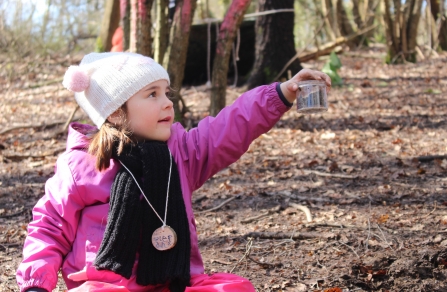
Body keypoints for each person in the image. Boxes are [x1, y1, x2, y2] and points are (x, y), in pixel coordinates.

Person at [16, 52, 331, 292]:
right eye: (152, 94)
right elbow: (49, 226)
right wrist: (35, 283)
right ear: (115, 111)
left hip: (175, 282)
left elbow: (229, 127)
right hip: (110, 286)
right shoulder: (83, 164)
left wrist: (281, 93)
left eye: (167, 93)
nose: (168, 103)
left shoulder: (181, 153)